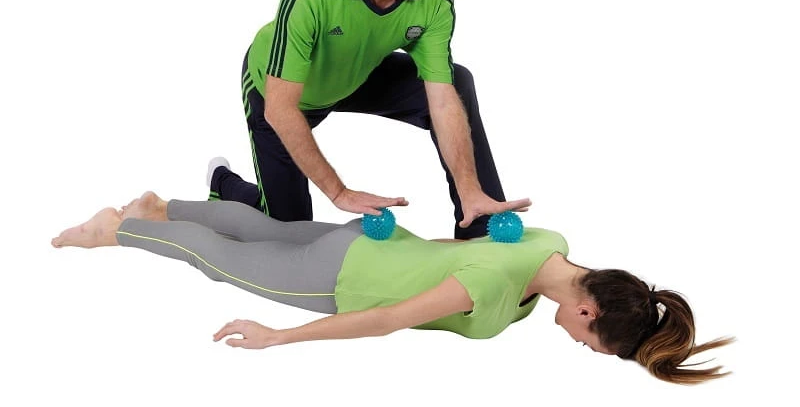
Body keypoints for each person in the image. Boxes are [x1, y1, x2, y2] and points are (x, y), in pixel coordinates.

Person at [51, 192, 733, 384]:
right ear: (588, 311)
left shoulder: (549, 242)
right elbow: (386, 320)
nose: (580, 345)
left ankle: (161, 207)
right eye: (590, 343)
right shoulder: (496, 291)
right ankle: (117, 230)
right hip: (340, 282)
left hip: (374, 241)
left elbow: (455, 248)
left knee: (264, 228)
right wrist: (280, 336)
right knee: (223, 263)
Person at [211, 0, 529, 239]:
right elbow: (280, 108)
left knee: (457, 81)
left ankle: (478, 220)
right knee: (288, 231)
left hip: (356, 74)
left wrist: (469, 186)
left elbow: (440, 99)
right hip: (281, 91)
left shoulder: (433, 2)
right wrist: (339, 192)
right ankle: (223, 183)